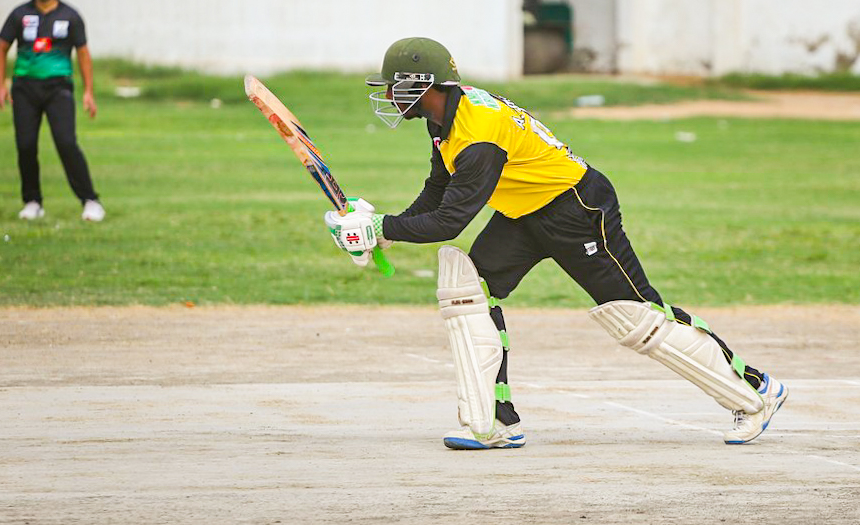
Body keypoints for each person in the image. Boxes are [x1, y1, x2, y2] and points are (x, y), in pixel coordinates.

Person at [324, 36, 787, 450]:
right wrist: (381, 227)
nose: (389, 96)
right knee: (467, 289)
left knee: (636, 314)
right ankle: (493, 423)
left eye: (395, 86)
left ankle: (755, 392)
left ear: (425, 85)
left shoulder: (478, 136)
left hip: (575, 209)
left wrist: (382, 228)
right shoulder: (445, 116)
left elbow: (449, 221)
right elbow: (437, 191)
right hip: (523, 213)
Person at [0, 0, 105, 222]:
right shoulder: (20, 15)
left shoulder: (70, 16)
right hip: (25, 88)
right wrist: (0, 85)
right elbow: (1, 48)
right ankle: (32, 201)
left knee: (66, 143)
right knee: (25, 145)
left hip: (58, 88)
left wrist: (88, 91)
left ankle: (90, 200)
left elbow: (83, 53)